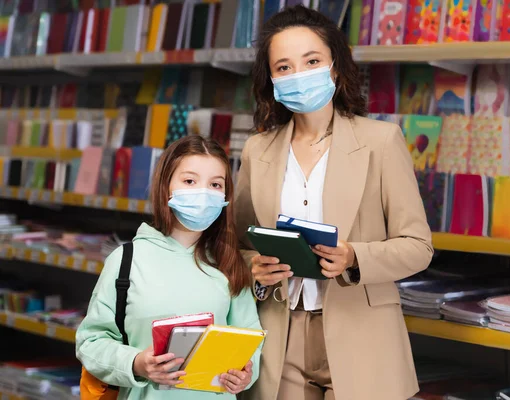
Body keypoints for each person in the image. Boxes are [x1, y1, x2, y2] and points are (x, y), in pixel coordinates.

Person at [235, 5, 433, 400]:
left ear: (335, 68)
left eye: (312, 61)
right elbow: (237, 244)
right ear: (271, 79)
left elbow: (418, 247)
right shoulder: (257, 149)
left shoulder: (381, 141)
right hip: (279, 333)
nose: (299, 75)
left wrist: (354, 256)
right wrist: (251, 266)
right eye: (285, 67)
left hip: (362, 332)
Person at [76, 136, 262, 399]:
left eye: (215, 184)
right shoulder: (127, 260)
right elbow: (91, 342)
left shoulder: (229, 263)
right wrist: (137, 363)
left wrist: (244, 374)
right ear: (166, 188)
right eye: (189, 181)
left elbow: (250, 339)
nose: (203, 192)